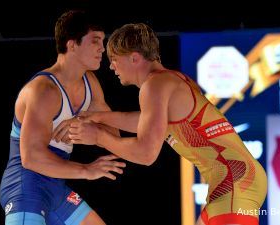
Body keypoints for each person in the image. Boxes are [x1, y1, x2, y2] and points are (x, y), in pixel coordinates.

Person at [68, 23, 268, 225]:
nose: (111, 67)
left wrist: (98, 136)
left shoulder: (154, 85)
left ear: (134, 57)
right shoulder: (172, 79)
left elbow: (145, 154)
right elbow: (148, 122)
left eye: (114, 59)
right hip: (235, 178)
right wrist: (99, 118)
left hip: (234, 181)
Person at [0, 10, 126, 225]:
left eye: (102, 41)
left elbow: (115, 139)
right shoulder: (44, 90)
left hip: (55, 186)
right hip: (26, 186)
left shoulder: (90, 83)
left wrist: (85, 122)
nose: (102, 48)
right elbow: (31, 158)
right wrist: (87, 170)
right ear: (72, 44)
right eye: (95, 41)